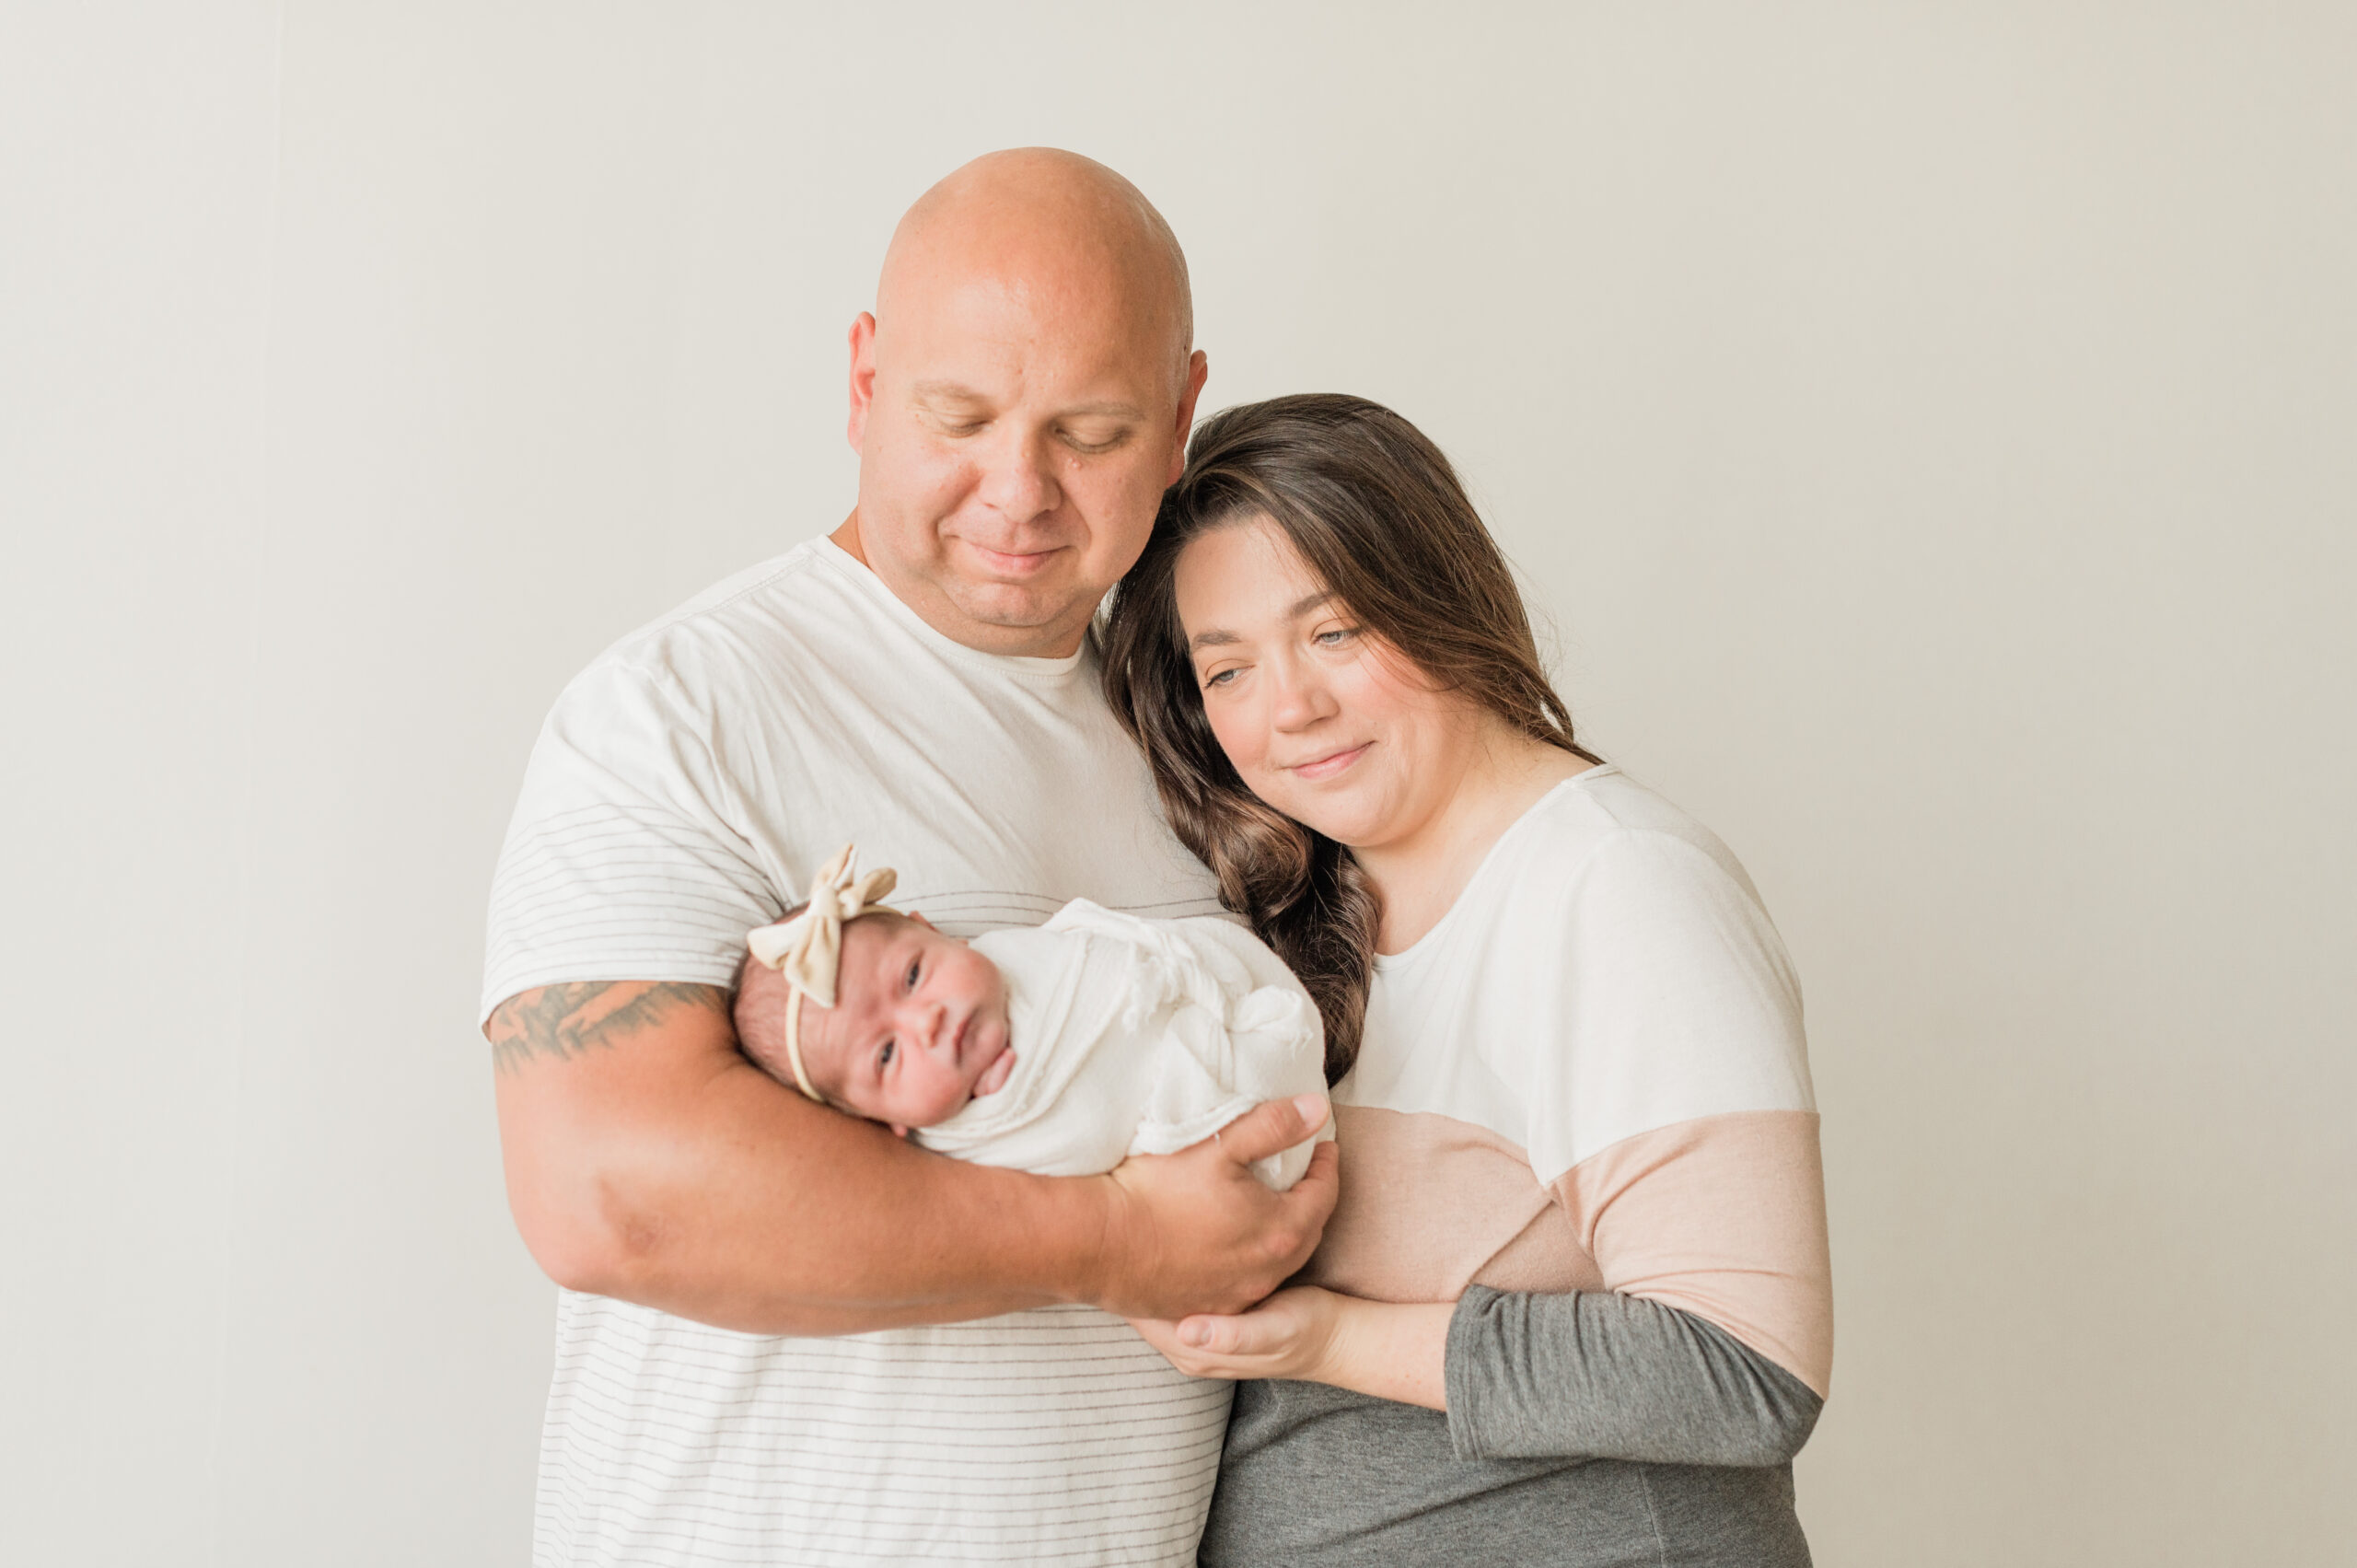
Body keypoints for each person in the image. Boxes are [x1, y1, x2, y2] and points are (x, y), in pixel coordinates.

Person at [480, 151, 1339, 1568]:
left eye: (1095, 429)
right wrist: (1111, 1241)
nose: (1021, 488)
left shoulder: (1221, 738)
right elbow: (604, 1186)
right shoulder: (686, 705)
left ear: (1183, 415)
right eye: (961, 414)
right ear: (866, 381)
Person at [1101, 393, 1834, 1565]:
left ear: (1434, 597)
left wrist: (1320, 1337)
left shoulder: (1617, 886)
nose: (1289, 706)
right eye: (1227, 668)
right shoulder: (1309, 907)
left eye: (1332, 631)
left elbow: (1742, 1368)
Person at [730, 844, 1327, 1186]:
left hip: (1236, 1042)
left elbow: (1130, 969)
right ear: (880, 1119)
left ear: (935, 933)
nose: (927, 1022)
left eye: (913, 976)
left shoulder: (1035, 959)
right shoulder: (958, 1157)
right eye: (887, 1053)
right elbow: (1089, 1139)